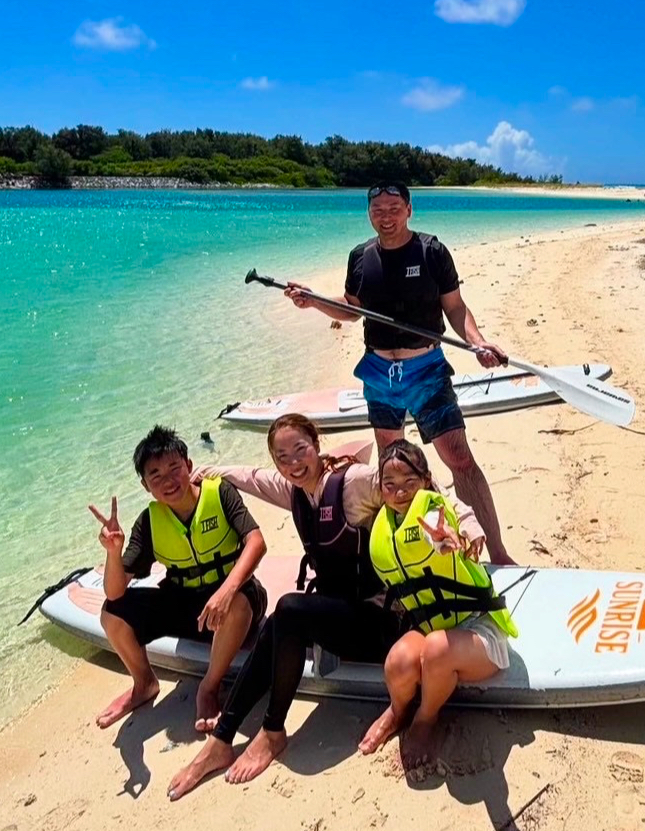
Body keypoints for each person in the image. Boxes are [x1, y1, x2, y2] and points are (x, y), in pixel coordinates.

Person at [166, 413, 488, 798]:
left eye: (300, 450)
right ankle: (221, 741)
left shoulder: (353, 484)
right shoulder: (295, 490)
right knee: (275, 624)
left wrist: (467, 527)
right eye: (281, 457)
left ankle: (272, 732)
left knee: (289, 610)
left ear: (317, 444)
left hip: (386, 622)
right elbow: (248, 477)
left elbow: (423, 487)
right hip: (343, 618)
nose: (292, 463)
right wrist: (199, 473)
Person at [283, 181, 516, 566]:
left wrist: (477, 342)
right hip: (378, 374)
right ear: (369, 214)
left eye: (394, 208)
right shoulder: (360, 257)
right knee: (391, 469)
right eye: (378, 210)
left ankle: (498, 552)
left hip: (426, 369)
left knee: (458, 458)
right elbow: (352, 309)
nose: (386, 217)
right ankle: (405, 551)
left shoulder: (431, 251)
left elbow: (455, 308)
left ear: (409, 210)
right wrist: (316, 303)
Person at [87, 425, 268, 733]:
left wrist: (226, 591)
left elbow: (256, 542)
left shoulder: (220, 493)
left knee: (237, 602)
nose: (167, 480)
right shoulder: (149, 522)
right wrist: (113, 552)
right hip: (185, 606)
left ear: (189, 466)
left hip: (236, 602)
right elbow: (115, 592)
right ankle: (143, 683)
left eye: (174, 468)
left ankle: (209, 688)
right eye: (155, 475)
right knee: (112, 612)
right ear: (146, 485)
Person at [357, 439, 517, 773]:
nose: (401, 493)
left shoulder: (438, 510)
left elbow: (452, 524)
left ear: (427, 481)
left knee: (435, 649)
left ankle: (425, 719)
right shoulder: (383, 524)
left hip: (480, 635)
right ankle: (397, 710)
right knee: (397, 662)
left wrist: (461, 538)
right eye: (391, 485)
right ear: (381, 488)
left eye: (410, 483)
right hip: (434, 629)